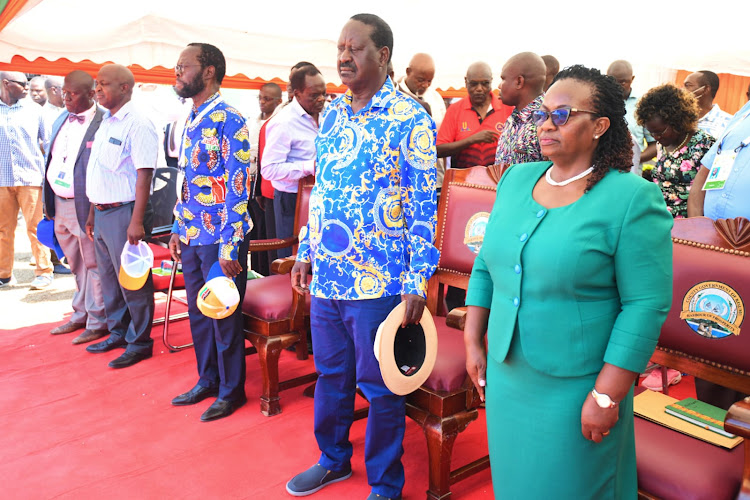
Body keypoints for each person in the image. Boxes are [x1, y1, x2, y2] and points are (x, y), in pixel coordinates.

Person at [464, 65, 673, 499]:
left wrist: (607, 395)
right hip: (507, 372)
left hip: (579, 384)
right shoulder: (517, 180)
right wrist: (472, 341)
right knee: (516, 484)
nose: (545, 123)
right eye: (543, 113)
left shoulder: (632, 197)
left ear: (599, 126)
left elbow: (646, 304)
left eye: (562, 115)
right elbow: (487, 264)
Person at [286, 14, 439, 500]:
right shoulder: (330, 113)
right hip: (329, 277)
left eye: (355, 48)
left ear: (383, 55)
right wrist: (306, 252)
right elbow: (322, 190)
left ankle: (386, 486)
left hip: (380, 280)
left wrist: (417, 279)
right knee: (332, 374)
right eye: (340, 48)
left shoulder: (411, 118)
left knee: (380, 387)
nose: (344, 57)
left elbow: (422, 203)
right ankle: (332, 460)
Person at [168, 43, 252, 421]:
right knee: (199, 315)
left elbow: (238, 187)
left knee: (223, 314)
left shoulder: (230, 119)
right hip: (190, 233)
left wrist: (230, 248)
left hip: (220, 239)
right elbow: (186, 179)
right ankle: (208, 380)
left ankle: (232, 390)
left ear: (208, 71)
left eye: (183, 67)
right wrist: (176, 227)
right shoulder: (192, 116)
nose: (177, 73)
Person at [83, 64, 157, 369]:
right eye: (97, 85)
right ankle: (118, 332)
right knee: (111, 281)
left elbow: (144, 175)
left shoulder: (138, 123)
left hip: (125, 212)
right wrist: (91, 213)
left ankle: (140, 341)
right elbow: (98, 171)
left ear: (125, 87)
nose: (97, 90)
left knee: (133, 282)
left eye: (104, 85)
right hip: (101, 213)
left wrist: (136, 221)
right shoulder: (106, 121)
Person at [687, 96, 750, 410]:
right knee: (712, 335)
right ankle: (713, 425)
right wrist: (700, 232)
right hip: (715, 250)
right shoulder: (743, 113)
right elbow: (703, 178)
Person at [42, 70, 108, 345]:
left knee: (93, 264)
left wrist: (94, 207)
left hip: (86, 206)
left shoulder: (104, 121)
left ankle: (98, 321)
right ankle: (80, 313)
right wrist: (49, 202)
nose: (65, 97)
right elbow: (52, 158)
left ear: (92, 93)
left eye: (73, 93)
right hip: (59, 202)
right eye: (64, 92)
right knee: (75, 264)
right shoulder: (61, 117)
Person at [261, 64, 325, 259]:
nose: (321, 99)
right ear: (297, 94)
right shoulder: (283, 122)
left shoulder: (328, 114)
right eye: (314, 95)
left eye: (324, 93)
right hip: (292, 201)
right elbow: (269, 169)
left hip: (321, 197)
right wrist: (308, 167)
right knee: (292, 258)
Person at [0, 71, 53, 289]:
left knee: (35, 228)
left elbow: (48, 144)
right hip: (2, 179)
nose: (27, 87)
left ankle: (44, 271)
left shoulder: (35, 110)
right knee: (3, 229)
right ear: (6, 84)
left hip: (30, 177)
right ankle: (4, 274)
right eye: (22, 84)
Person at [635, 84, 715, 219]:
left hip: (685, 226)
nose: (656, 137)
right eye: (651, 132)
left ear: (677, 121)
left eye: (660, 132)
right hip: (656, 218)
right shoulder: (663, 144)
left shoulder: (705, 145)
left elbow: (706, 194)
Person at [436, 62, 512, 169]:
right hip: (463, 181)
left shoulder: (507, 108)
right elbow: (438, 150)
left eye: (485, 83)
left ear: (491, 81)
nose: (479, 89)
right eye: (474, 84)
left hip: (499, 182)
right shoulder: (455, 110)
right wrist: (472, 140)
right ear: (466, 82)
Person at [396, 53, 447, 188]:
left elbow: (443, 137)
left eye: (429, 81)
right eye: (420, 80)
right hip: (404, 178)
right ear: (408, 72)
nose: (425, 85)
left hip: (435, 177)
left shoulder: (436, 98)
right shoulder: (395, 96)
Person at [247, 82, 282, 276]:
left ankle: (268, 273)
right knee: (254, 231)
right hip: (251, 184)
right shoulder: (252, 121)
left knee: (267, 232)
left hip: (269, 185)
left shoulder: (279, 121)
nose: (262, 102)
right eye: (259, 98)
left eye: (267, 99)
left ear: (278, 101)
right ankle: (256, 271)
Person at [494, 52, 547, 167]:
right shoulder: (514, 118)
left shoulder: (545, 122)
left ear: (519, 82)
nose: (499, 86)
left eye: (503, 79)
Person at [607, 60, 656, 167]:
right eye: (612, 81)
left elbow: (654, 144)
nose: (617, 86)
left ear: (632, 79)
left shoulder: (643, 105)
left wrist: (634, 160)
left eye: (623, 82)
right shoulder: (599, 102)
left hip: (631, 172)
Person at [683, 70, 732, 139]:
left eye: (688, 85)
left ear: (705, 89)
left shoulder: (728, 123)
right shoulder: (679, 118)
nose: (682, 90)